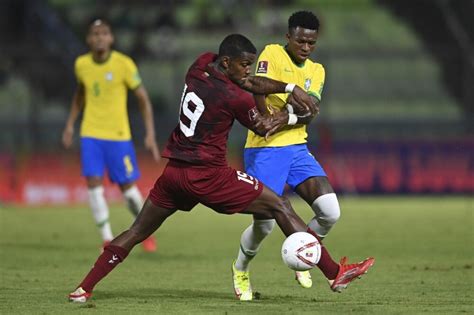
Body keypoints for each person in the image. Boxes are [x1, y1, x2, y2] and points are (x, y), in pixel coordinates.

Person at [68, 34, 374, 303]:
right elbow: (265, 125)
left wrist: (288, 86)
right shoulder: (234, 99)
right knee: (280, 205)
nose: (248, 72)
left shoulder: (199, 65)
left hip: (173, 174)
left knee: (135, 231)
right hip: (209, 176)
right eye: (244, 65)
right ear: (227, 63)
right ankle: (335, 273)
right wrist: (294, 114)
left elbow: (250, 81)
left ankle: (84, 288)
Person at [231, 10, 341, 296]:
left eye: (311, 43)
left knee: (330, 211)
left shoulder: (317, 70)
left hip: (297, 148)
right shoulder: (272, 54)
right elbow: (258, 90)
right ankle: (241, 268)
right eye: (301, 41)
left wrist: (285, 118)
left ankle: (301, 257)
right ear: (288, 36)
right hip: (265, 148)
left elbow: (311, 111)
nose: (306, 48)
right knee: (265, 225)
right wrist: (274, 114)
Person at [62, 19, 158, 252]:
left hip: (118, 136)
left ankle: (144, 232)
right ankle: (107, 238)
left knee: (129, 192)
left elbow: (143, 98)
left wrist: (150, 134)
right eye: (95, 34)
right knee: (93, 184)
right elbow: (80, 94)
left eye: (104, 33)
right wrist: (70, 124)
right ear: (88, 39)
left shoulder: (124, 64)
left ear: (111, 38)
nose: (99, 38)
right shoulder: (81, 64)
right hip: (91, 134)